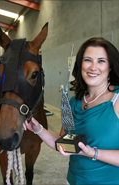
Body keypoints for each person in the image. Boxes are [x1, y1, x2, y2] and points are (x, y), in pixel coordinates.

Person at [23, 37, 119, 184]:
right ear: (80, 64)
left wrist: (92, 153)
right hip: (73, 180)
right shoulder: (75, 102)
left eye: (101, 61)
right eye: (88, 60)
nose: (93, 67)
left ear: (110, 66)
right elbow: (64, 143)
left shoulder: (116, 100)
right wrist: (38, 129)